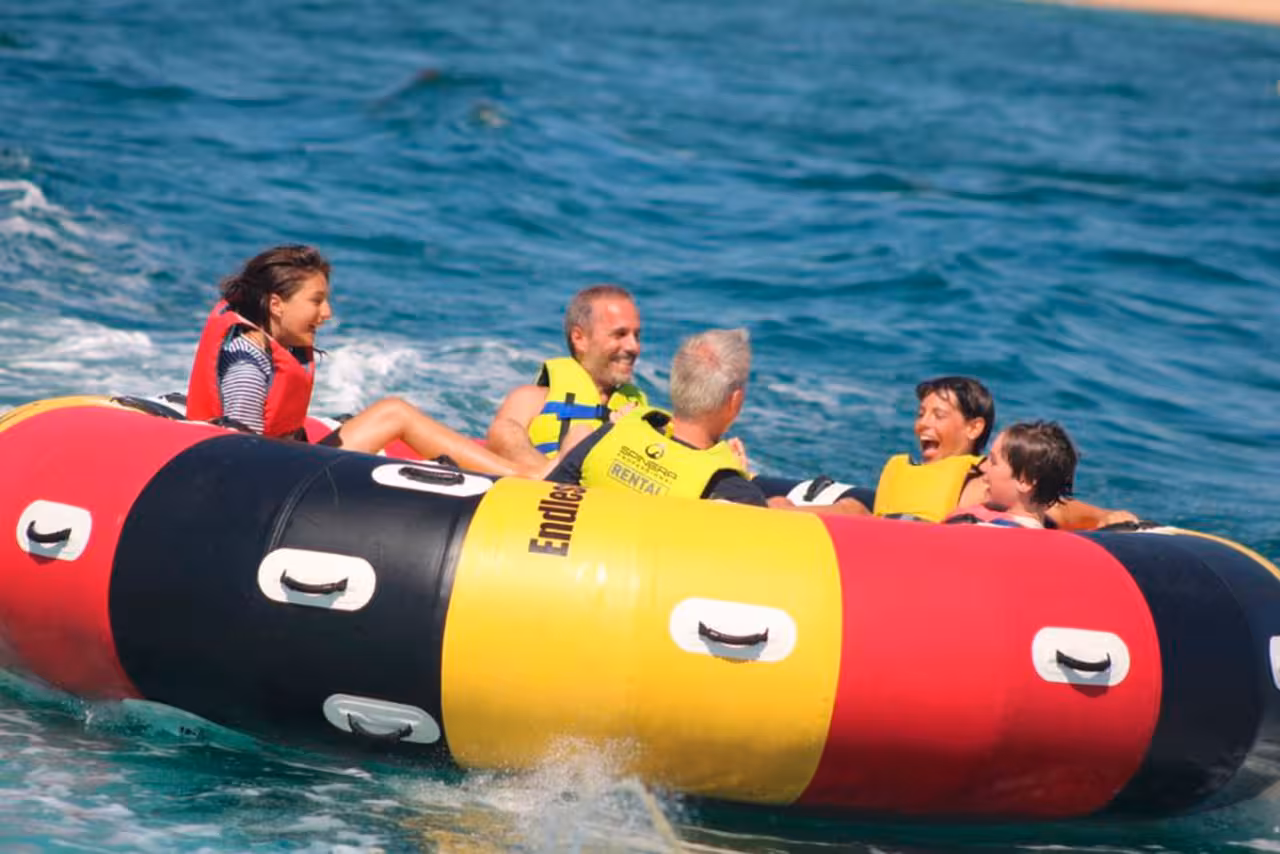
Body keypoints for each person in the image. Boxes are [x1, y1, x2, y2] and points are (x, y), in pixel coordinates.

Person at [185, 244, 546, 478]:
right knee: (394, 413)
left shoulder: (266, 346)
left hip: (287, 461)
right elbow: (238, 451)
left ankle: (515, 472)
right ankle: (523, 480)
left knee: (384, 414)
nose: (326, 313)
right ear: (276, 303)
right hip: (275, 478)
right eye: (316, 301)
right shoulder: (248, 357)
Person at [869, 376, 1136, 529]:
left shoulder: (984, 483)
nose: (922, 424)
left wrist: (1104, 516)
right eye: (920, 414)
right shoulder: (904, 474)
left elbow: (1057, 506)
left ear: (974, 428)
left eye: (938, 415)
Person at [546, 328, 765, 504]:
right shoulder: (732, 492)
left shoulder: (609, 435)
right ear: (734, 401)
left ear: (676, 384)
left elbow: (543, 498)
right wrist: (741, 480)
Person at [486, 285, 647, 469]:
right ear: (579, 339)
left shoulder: (639, 412)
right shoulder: (532, 399)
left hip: (606, 493)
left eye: (637, 336)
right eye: (620, 334)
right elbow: (498, 440)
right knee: (505, 430)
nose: (634, 347)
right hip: (542, 487)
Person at [945, 421, 1077, 528]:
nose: (984, 467)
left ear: (1024, 481)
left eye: (993, 461)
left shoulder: (990, 532)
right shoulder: (1045, 528)